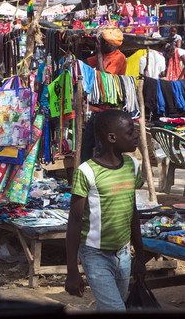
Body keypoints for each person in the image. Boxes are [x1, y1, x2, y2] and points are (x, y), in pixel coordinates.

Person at [65, 109, 146, 311]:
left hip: (124, 253)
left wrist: (140, 256)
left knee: (108, 307)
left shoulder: (132, 165)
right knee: (116, 309)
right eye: (130, 132)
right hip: (95, 254)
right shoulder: (86, 172)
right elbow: (74, 222)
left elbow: (132, 211)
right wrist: (72, 270)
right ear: (112, 137)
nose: (136, 136)